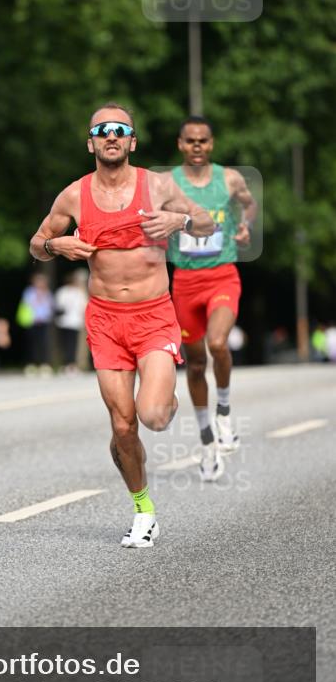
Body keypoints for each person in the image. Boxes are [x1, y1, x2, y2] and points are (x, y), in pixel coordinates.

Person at [30, 102, 214, 548]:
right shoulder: (74, 195)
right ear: (91, 142)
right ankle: (144, 511)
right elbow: (36, 244)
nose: (111, 137)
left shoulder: (158, 185)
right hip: (105, 321)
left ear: (131, 141)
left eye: (120, 130)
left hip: (153, 316)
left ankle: (163, 392)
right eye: (102, 130)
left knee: (151, 415)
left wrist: (182, 219)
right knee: (122, 427)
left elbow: (207, 223)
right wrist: (58, 246)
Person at [168, 116, 257, 481]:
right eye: (191, 141)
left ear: (212, 143)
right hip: (185, 282)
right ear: (180, 144)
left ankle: (223, 410)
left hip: (222, 275)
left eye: (203, 140)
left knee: (218, 343)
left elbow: (249, 204)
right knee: (194, 364)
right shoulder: (167, 182)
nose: (197, 146)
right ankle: (206, 439)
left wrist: (244, 224)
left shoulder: (230, 178)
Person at [18, 273, 55, 375]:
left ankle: (44, 365)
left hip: (43, 321)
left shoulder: (47, 293)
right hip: (31, 321)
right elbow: (27, 303)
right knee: (32, 344)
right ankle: (31, 364)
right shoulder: (29, 291)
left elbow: (51, 306)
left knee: (44, 344)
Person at [54, 270, 89, 372]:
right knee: (65, 344)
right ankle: (66, 363)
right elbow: (59, 306)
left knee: (72, 344)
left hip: (74, 322)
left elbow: (83, 307)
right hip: (64, 322)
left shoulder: (78, 292)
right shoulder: (63, 291)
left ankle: (71, 364)